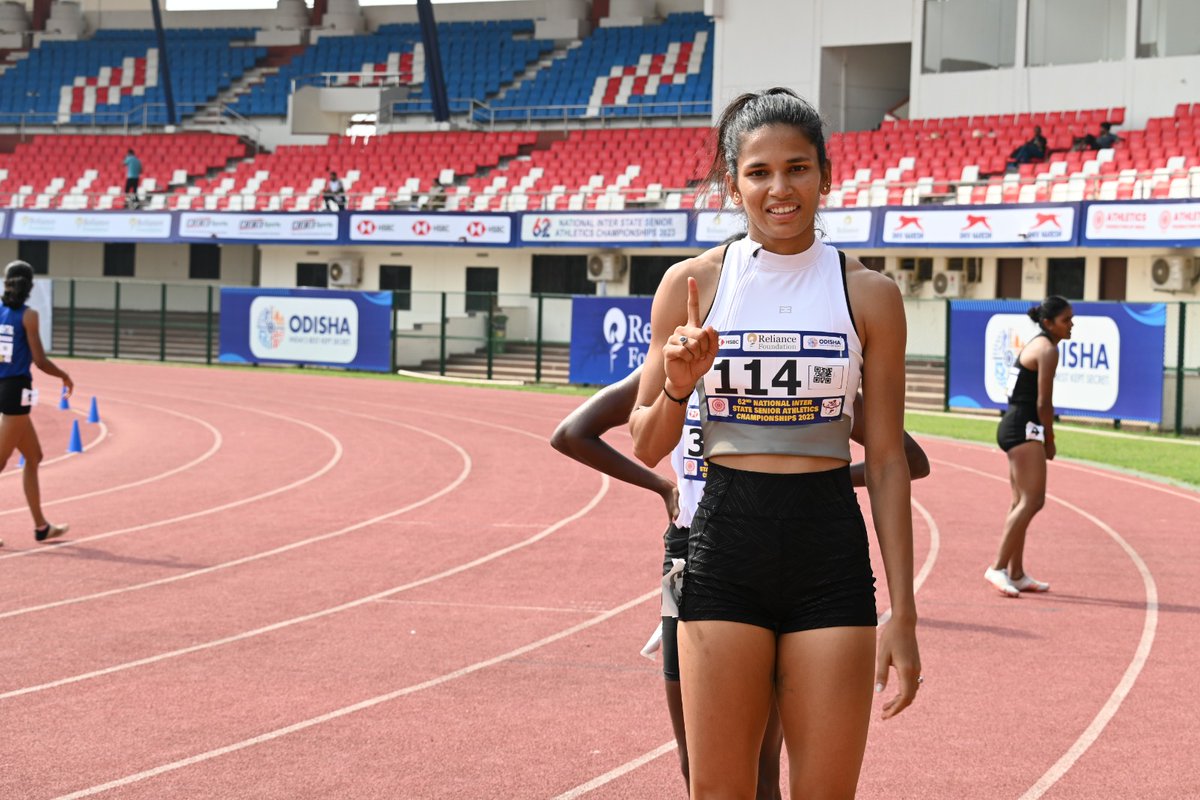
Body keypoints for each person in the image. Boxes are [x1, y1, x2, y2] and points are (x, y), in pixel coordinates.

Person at [627, 88, 921, 798]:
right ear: (734, 184)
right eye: (759, 172)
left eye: (797, 168)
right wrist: (677, 382)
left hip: (829, 551)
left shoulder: (870, 295)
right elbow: (644, 442)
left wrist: (904, 614)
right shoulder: (692, 284)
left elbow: (884, 460)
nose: (780, 188)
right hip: (725, 544)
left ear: (825, 175)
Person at [552, 354, 930, 798]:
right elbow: (571, 434)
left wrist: (823, 479)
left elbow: (910, 459)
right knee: (695, 762)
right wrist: (661, 486)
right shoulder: (663, 375)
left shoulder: (774, 374)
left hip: (764, 546)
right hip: (687, 558)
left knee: (762, 765)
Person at [986, 295, 1073, 597]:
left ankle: (1017, 572)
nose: (1071, 325)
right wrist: (1050, 439)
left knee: (1019, 500)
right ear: (1048, 323)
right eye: (1066, 320)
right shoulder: (1047, 349)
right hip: (1024, 427)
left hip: (1017, 424)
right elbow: (1043, 403)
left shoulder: (1038, 343)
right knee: (1032, 501)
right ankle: (997, 567)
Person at [0, 260, 74, 548]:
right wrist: (65, 376)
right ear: (30, 286)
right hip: (15, 391)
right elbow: (40, 360)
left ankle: (41, 527)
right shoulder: (28, 316)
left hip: (6, 388)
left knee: (34, 457)